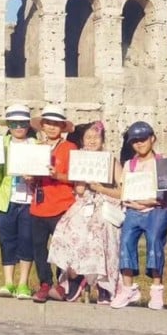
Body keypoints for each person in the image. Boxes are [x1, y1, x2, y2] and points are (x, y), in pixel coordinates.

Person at [47, 121, 122, 304]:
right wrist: (83, 181)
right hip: (84, 203)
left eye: (96, 137)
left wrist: (101, 188)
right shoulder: (80, 159)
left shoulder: (110, 160)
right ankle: (74, 277)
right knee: (66, 230)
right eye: (88, 137)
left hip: (104, 203)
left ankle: (103, 285)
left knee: (98, 234)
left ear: (102, 140)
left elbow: (122, 190)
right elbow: (79, 191)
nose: (92, 141)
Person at [111, 121, 167, 310]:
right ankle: (128, 288)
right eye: (135, 141)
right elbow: (125, 188)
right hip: (133, 209)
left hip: (156, 209)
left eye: (143, 139)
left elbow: (165, 193)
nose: (139, 143)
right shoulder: (130, 164)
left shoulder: (162, 163)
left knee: (154, 241)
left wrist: (146, 202)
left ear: (152, 138)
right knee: (126, 242)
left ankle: (156, 289)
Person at [27, 105, 78, 303]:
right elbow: (31, 176)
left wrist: (58, 175)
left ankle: (61, 284)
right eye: (48, 123)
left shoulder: (70, 148)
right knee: (39, 248)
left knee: (61, 248)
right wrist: (29, 177)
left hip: (62, 204)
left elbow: (76, 177)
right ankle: (44, 283)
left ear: (62, 128)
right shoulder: (36, 147)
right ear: (42, 126)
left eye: (56, 124)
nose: (51, 127)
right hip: (39, 205)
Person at [0, 104, 37, 300]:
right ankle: (8, 282)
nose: (18, 127)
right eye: (14, 123)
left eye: (22, 123)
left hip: (29, 200)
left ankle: (23, 283)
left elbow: (41, 175)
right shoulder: (0, 145)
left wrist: (34, 178)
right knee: (7, 241)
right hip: (5, 200)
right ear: (8, 124)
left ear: (28, 125)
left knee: (27, 240)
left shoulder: (36, 145)